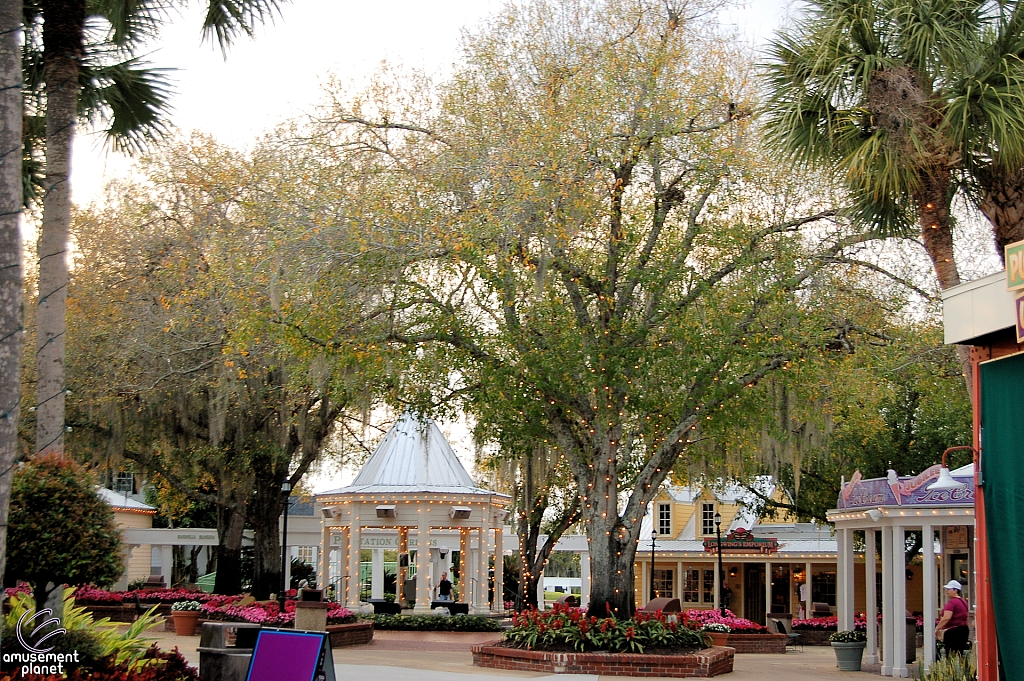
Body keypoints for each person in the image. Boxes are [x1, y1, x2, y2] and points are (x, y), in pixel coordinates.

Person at [935, 580, 970, 656]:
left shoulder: (952, 602)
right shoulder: (964, 602)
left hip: (953, 632)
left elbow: (946, 617)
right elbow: (966, 617)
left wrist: (938, 628)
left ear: (955, 590)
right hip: (963, 630)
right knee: (959, 653)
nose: (947, 591)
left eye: (949, 589)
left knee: (951, 654)